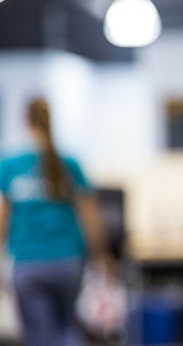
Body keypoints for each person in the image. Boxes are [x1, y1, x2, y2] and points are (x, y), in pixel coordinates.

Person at [0, 98, 114, 346]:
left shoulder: (10, 166)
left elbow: (2, 219)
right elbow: (90, 216)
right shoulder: (69, 164)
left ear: (26, 121)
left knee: (39, 335)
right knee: (66, 330)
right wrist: (102, 255)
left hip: (28, 262)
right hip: (67, 261)